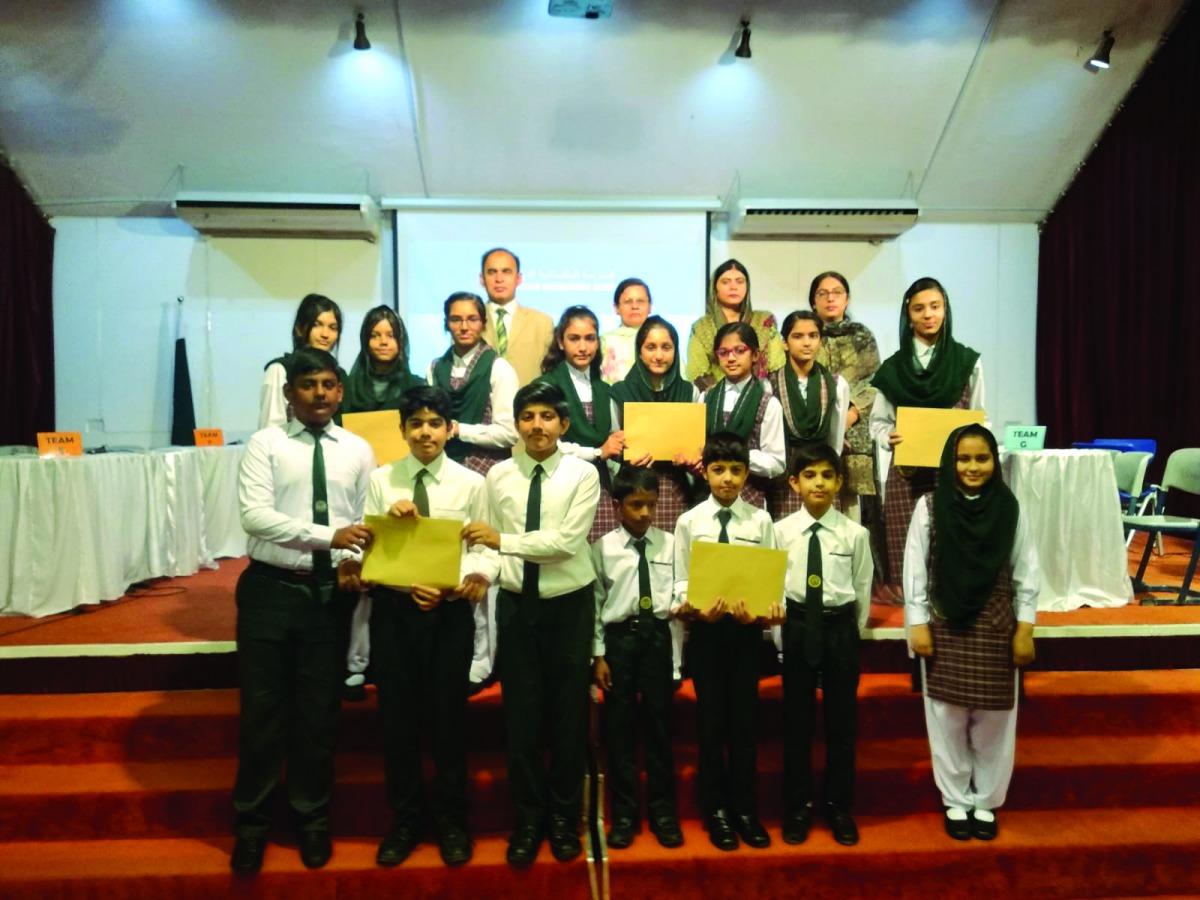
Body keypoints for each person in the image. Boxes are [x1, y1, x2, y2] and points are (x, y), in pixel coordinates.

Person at [230, 347, 375, 874]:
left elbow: (363, 522)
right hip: (270, 591)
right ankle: (251, 826)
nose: (319, 393)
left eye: (329, 384)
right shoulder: (264, 445)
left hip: (327, 597)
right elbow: (255, 517)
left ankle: (312, 821)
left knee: (319, 718)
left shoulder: (358, 449)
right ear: (289, 392)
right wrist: (327, 536)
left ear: (341, 392)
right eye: (308, 384)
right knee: (262, 718)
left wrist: (350, 555)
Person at [341, 385, 499, 868]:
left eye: (435, 423)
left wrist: (465, 580)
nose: (425, 432)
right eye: (416, 424)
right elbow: (364, 546)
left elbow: (485, 549)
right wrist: (386, 524)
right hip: (395, 613)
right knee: (399, 724)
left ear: (450, 429)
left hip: (448, 613)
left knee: (449, 725)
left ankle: (452, 823)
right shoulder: (384, 480)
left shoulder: (472, 483)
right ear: (403, 430)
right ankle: (405, 821)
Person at [462, 382, 601, 867]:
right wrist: (481, 569)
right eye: (528, 416)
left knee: (567, 718)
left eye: (547, 416)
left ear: (564, 424)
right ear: (516, 423)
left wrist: (502, 542)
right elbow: (483, 544)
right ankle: (527, 820)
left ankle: (564, 819)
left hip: (569, 607)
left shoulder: (584, 474)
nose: (537, 425)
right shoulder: (496, 476)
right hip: (519, 607)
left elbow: (565, 543)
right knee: (520, 720)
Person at [903, 424, 1038, 842]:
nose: (973, 467)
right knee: (946, 716)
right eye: (964, 458)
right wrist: (917, 624)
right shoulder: (929, 505)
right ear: (950, 461)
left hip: (997, 623)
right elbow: (915, 569)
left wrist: (1025, 629)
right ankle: (956, 799)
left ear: (995, 462)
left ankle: (986, 801)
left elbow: (1027, 572)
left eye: (982, 458)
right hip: (944, 623)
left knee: (995, 719)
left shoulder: (1010, 507)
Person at [672, 432, 784, 852]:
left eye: (736, 471)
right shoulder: (690, 522)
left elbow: (771, 578)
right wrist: (695, 605)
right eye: (718, 470)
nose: (727, 479)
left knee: (744, 726)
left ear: (746, 473)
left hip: (744, 635)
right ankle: (715, 811)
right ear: (705, 472)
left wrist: (767, 610)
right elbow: (680, 577)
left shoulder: (760, 521)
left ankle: (745, 810)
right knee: (711, 724)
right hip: (706, 634)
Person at [775, 442, 873, 847]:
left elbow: (862, 588)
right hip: (797, 627)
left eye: (827, 476)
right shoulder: (779, 532)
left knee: (841, 725)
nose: (819, 483)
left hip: (838, 630)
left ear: (839, 482)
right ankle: (798, 808)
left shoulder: (855, 534)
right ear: (795, 482)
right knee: (797, 725)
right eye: (810, 475)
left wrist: (853, 633)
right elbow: (776, 589)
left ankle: (839, 807)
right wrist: (783, 642)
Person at [870, 277, 985, 599]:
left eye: (935, 307)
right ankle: (913, 607)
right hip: (906, 473)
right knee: (908, 541)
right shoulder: (894, 368)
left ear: (945, 310)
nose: (928, 315)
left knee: (951, 537)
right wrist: (887, 437)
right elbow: (878, 422)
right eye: (919, 309)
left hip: (955, 472)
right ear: (908, 315)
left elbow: (980, 417)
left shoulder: (967, 362)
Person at [428, 290, 520, 685]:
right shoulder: (436, 367)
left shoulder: (500, 368)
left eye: (471, 319)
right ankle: (452, 648)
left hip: (485, 473)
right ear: (446, 323)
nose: (463, 326)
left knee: (483, 564)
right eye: (455, 319)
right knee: (448, 559)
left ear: (483, 322)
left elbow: (508, 432)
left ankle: (484, 658)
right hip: (444, 471)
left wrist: (460, 429)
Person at [591, 466, 684, 851]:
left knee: (660, 731)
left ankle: (663, 812)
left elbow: (680, 590)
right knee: (620, 731)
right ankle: (626, 814)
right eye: (635, 505)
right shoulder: (602, 549)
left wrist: (676, 660)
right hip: (620, 642)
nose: (645, 513)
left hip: (657, 640)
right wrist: (598, 655)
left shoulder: (671, 543)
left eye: (651, 504)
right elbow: (595, 604)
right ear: (616, 506)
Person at [339, 305, 425, 701]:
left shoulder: (415, 383)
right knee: (363, 570)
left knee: (397, 567)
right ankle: (357, 663)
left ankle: (395, 656)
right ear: (365, 341)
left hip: (402, 481)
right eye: (375, 335)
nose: (383, 341)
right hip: (357, 484)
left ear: (401, 341)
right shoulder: (348, 384)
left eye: (390, 335)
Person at [611, 315, 702, 684]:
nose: (659, 354)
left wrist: (694, 461)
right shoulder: (619, 391)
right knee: (635, 572)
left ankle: (674, 662)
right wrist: (626, 460)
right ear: (638, 350)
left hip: (676, 491)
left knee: (674, 576)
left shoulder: (691, 391)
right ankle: (633, 657)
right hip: (636, 492)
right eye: (651, 346)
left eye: (666, 347)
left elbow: (700, 451)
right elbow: (615, 448)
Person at [537, 305, 625, 542]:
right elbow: (548, 445)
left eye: (590, 338)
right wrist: (597, 452)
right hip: (558, 481)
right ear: (561, 342)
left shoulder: (603, 389)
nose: (583, 347)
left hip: (599, 484)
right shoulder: (547, 387)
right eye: (574, 339)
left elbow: (612, 438)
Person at [809, 272, 881, 525]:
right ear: (813, 301)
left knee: (851, 509)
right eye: (822, 293)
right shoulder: (808, 335)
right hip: (813, 429)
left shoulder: (861, 336)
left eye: (837, 292)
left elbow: (874, 382)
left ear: (847, 299)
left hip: (855, 429)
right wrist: (829, 426)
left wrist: (849, 417)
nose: (830, 298)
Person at [767, 310, 850, 519]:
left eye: (813, 336)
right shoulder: (769, 383)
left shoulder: (836, 383)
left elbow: (836, 438)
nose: (807, 343)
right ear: (784, 343)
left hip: (822, 468)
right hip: (786, 475)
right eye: (798, 336)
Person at [702, 321, 787, 509]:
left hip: (750, 498)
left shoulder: (768, 403)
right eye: (723, 353)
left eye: (739, 351)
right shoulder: (705, 397)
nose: (731, 358)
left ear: (755, 354)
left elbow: (777, 462)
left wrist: (739, 456)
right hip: (708, 497)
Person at [686, 259, 785, 392]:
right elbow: (697, 373)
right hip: (715, 399)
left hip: (761, 396)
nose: (733, 287)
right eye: (726, 282)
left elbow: (777, 367)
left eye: (740, 281)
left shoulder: (764, 321)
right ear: (714, 288)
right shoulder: (701, 327)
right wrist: (724, 397)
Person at [259, 293, 343, 430]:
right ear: (300, 328)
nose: (325, 334)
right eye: (317, 325)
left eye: (332, 328)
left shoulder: (339, 374)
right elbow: (270, 431)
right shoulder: (280, 370)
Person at [479, 247, 555, 386]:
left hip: (527, 404)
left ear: (518, 278)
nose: (499, 279)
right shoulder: (471, 321)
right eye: (492, 272)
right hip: (481, 405)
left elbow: (551, 373)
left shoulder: (542, 322)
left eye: (506, 272)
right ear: (482, 279)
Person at [600, 277, 652, 384]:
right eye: (628, 302)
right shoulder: (605, 341)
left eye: (640, 301)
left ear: (650, 307)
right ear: (616, 308)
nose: (634, 306)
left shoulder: (664, 339)